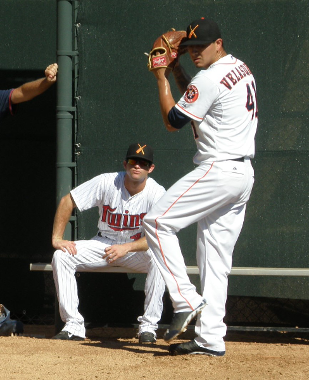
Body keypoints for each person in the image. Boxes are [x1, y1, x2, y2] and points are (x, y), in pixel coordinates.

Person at [143, 18, 258, 356]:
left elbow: (173, 121)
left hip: (219, 169)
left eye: (201, 46)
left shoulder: (208, 78)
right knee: (215, 261)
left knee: (157, 221)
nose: (194, 52)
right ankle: (210, 340)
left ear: (218, 44)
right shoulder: (239, 67)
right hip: (242, 175)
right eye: (190, 47)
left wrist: (162, 77)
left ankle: (186, 299)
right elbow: (200, 100)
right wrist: (180, 73)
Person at [51, 143, 166, 343]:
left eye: (143, 163)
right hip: (103, 244)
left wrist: (126, 248)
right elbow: (68, 201)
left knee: (162, 259)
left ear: (151, 168)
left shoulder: (157, 193)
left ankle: (148, 327)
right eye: (133, 161)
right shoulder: (107, 182)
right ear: (125, 164)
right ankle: (73, 325)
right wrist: (57, 238)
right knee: (61, 256)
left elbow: (158, 238)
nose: (137, 166)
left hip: (134, 249)